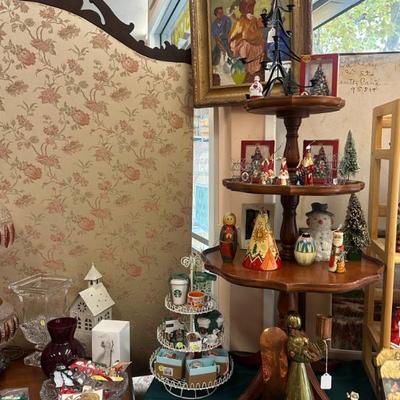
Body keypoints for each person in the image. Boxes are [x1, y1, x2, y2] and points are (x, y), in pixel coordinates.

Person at [229, 0, 265, 81]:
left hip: (255, 42)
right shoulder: (240, 22)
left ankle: (255, 72)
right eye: (248, 12)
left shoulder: (254, 20)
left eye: (251, 10)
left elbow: (258, 33)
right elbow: (234, 37)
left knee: (260, 45)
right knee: (245, 46)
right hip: (243, 44)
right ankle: (248, 72)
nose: (250, 14)